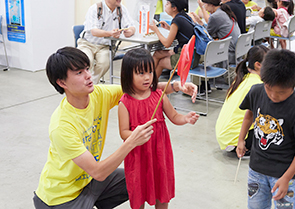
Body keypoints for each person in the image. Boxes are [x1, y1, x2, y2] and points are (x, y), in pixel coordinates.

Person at [33, 47, 198, 209]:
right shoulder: (62, 126)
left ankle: (95, 201)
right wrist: (132, 141)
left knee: (136, 179)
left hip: (89, 180)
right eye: (79, 73)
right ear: (62, 82)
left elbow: (140, 89)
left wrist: (177, 86)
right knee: (131, 180)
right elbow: (98, 172)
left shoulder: (98, 94)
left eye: (87, 69)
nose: (88, 76)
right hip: (61, 197)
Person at [118, 48, 199, 209]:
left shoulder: (158, 94)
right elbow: (123, 132)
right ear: (128, 75)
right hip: (138, 154)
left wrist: (185, 118)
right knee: (138, 189)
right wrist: (137, 133)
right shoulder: (125, 103)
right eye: (141, 73)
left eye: (149, 71)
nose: (147, 77)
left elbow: (174, 117)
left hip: (160, 152)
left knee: (162, 187)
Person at [236, 49, 295, 208]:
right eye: (268, 88)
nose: (273, 96)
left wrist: (287, 178)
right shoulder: (256, 91)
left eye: (281, 92)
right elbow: (249, 113)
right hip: (256, 170)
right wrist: (241, 140)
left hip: (283, 174)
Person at [215, 45, 269, 154]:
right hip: (238, 140)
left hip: (224, 136)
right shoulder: (258, 85)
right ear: (258, 65)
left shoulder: (241, 78)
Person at [77, 0, 136, 84]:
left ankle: (91, 84)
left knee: (104, 63)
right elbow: (94, 31)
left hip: (106, 46)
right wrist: (110, 33)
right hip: (87, 44)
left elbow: (131, 26)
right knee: (86, 61)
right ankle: (82, 86)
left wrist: (130, 31)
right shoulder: (95, 9)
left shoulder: (121, 9)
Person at [149, 0, 201, 77]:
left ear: (174, 8)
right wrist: (169, 28)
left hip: (187, 59)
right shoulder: (184, 16)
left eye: (167, 4)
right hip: (193, 55)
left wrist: (156, 30)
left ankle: (152, 85)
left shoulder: (176, 20)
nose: (165, 6)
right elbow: (183, 33)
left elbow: (167, 44)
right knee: (158, 53)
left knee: (161, 63)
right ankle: (150, 80)